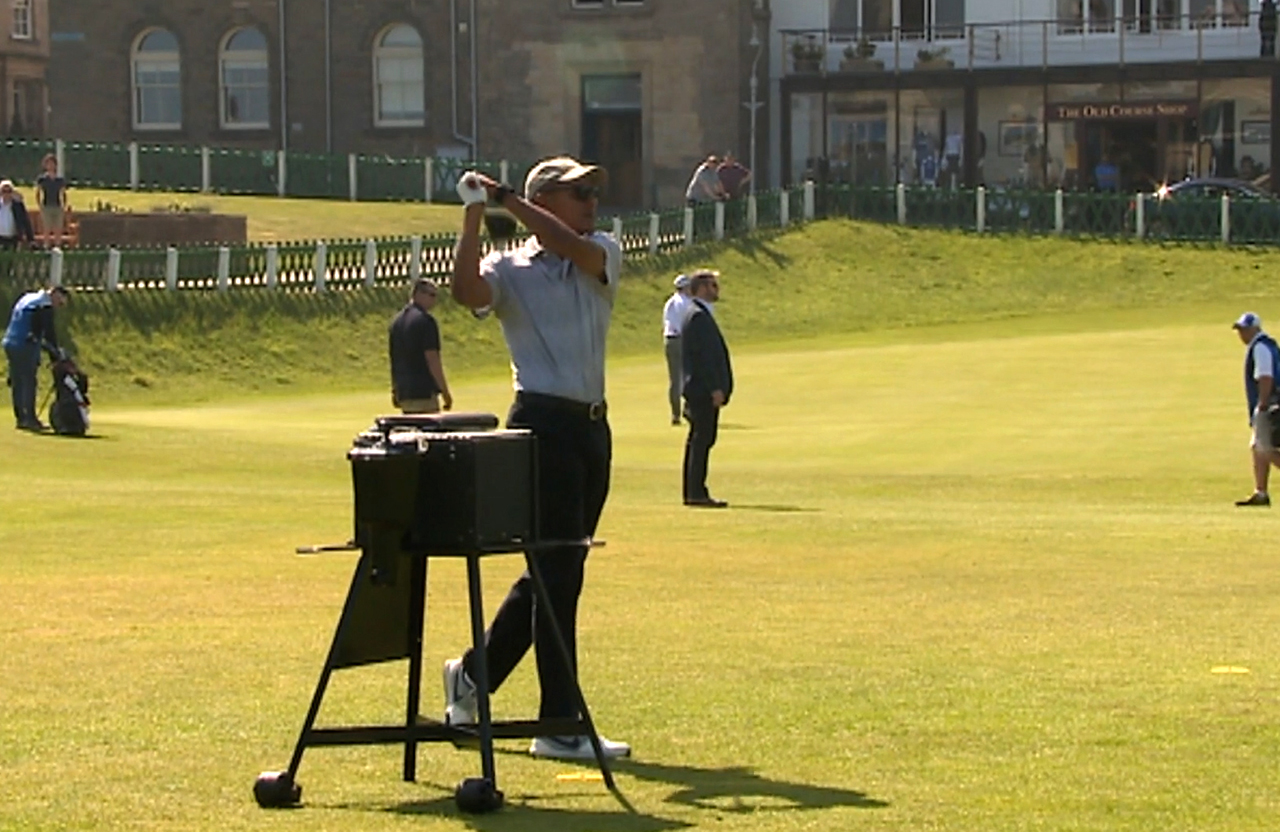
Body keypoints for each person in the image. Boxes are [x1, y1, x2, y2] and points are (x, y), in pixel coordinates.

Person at [446, 156, 630, 761]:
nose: (591, 203)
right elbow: (468, 291)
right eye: (578, 193)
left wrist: (502, 199)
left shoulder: (599, 248)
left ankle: (473, 676)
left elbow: (568, 244)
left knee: (556, 573)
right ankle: (558, 722)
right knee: (557, 576)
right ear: (546, 199)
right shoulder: (510, 266)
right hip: (541, 426)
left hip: (591, 431)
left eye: (591, 192)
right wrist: (475, 214)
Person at [681, 269, 733, 508]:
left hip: (702, 389)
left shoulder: (700, 315)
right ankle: (695, 492)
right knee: (701, 440)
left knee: (701, 440)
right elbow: (704, 359)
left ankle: (695, 490)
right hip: (702, 391)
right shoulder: (698, 317)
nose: (716, 289)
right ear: (701, 288)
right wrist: (715, 387)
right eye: (712, 285)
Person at [2, 284, 69, 431]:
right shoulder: (44, 305)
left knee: (18, 381)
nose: (58, 306)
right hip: (24, 344)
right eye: (60, 302)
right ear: (55, 294)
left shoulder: (28, 298)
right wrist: (56, 356)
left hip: (10, 342)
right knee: (29, 381)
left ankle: (21, 418)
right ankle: (30, 419)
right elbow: (48, 333)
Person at [1232, 312, 1280, 506]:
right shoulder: (1266, 345)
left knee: (1264, 447)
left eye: (1244, 330)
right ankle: (1260, 493)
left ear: (1254, 329)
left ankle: (1261, 492)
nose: (1241, 334)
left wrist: (1262, 404)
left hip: (1269, 404)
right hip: (1272, 403)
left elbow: (1265, 377)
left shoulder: (1260, 347)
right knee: (1257, 447)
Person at [388, 277, 452, 414]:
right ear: (418, 294)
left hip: (404, 393)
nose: (435, 300)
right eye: (432, 295)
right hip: (423, 392)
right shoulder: (426, 322)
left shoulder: (396, 323)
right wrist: (445, 392)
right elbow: (432, 359)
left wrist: (395, 389)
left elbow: (394, 359)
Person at [662, 274, 692, 425]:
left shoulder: (670, 302)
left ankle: (675, 414)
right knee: (688, 376)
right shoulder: (686, 303)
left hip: (669, 340)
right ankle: (689, 409)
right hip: (681, 339)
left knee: (675, 379)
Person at [34, 154, 67, 246]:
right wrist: (40, 205)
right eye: (48, 163)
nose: (50, 166)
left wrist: (63, 205)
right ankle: (46, 246)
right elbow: (38, 192)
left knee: (58, 228)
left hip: (57, 205)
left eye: (52, 163)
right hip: (46, 205)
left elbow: (63, 193)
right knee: (47, 228)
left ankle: (57, 246)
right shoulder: (42, 179)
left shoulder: (60, 180)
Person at [0, 179, 34, 250]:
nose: (6, 194)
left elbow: (26, 221)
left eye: (9, 191)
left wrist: (30, 238)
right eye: (4, 191)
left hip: (14, 239)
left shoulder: (18, 206)